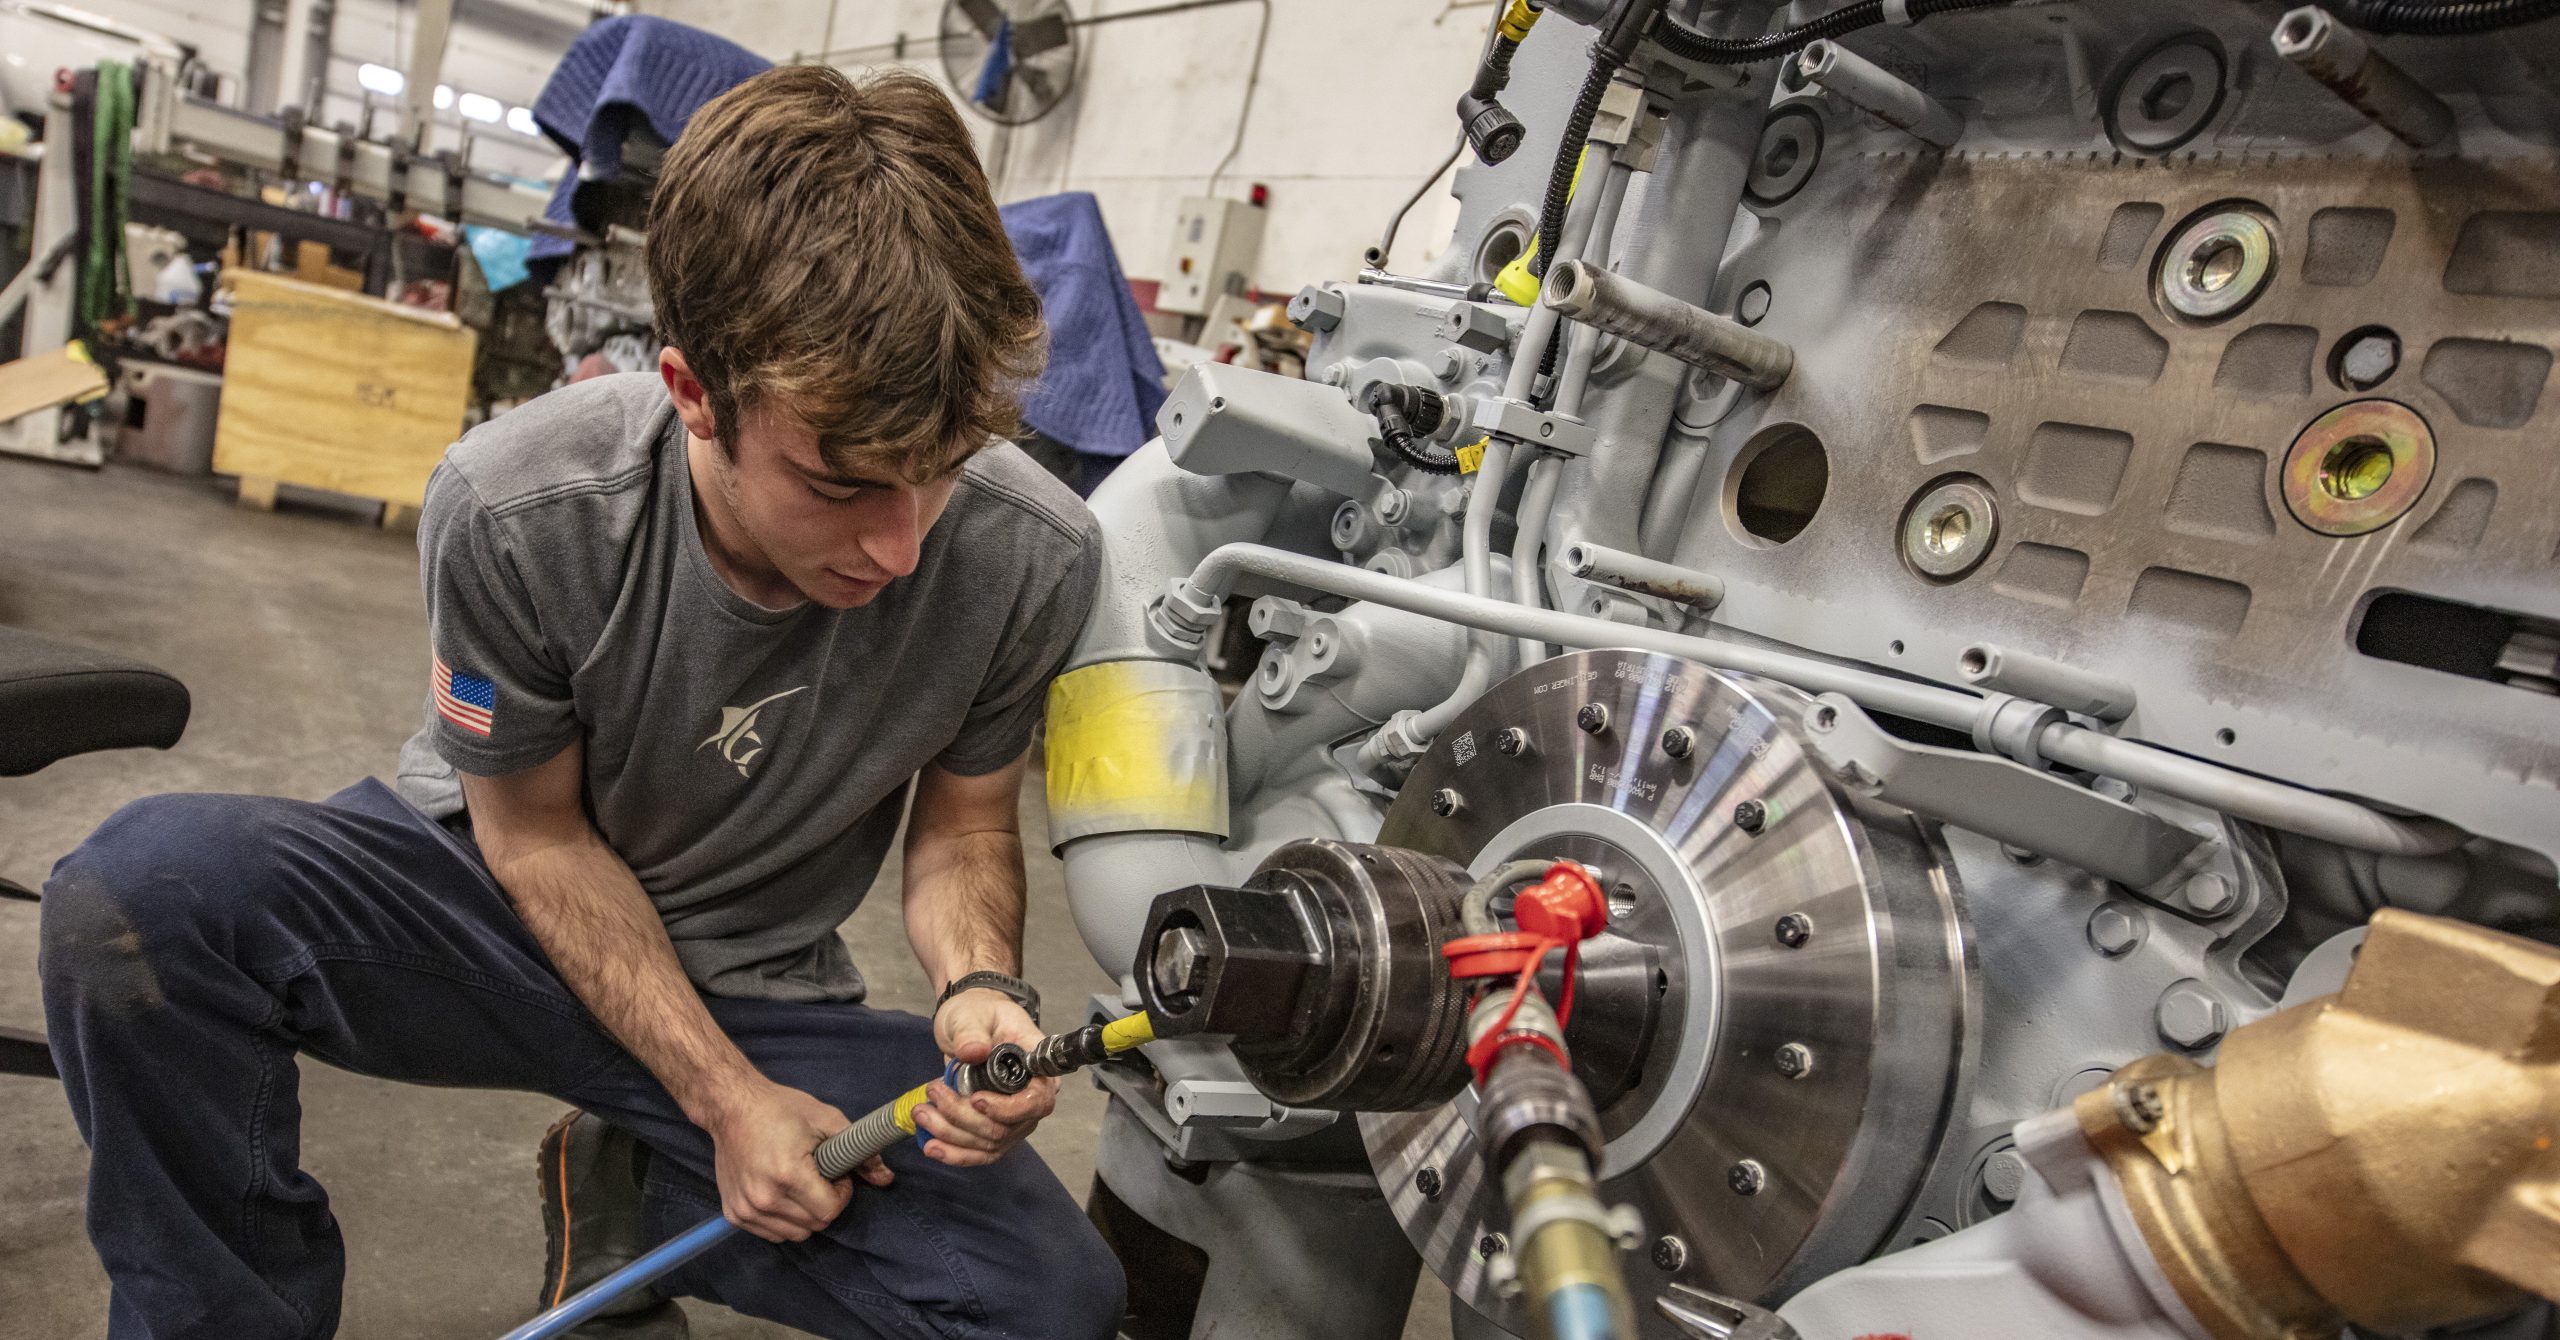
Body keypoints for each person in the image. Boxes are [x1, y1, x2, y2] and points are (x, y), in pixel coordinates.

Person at [39, 64, 1123, 1340]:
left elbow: (965, 826)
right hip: (484, 908)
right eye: (840, 484)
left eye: (939, 472)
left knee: (1049, 1305)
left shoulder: (1031, 552)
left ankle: (635, 1185)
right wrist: (729, 1100)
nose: (899, 545)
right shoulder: (518, 506)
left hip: (756, 975)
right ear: (692, 391)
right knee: (144, 898)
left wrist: (976, 980)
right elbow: (535, 836)